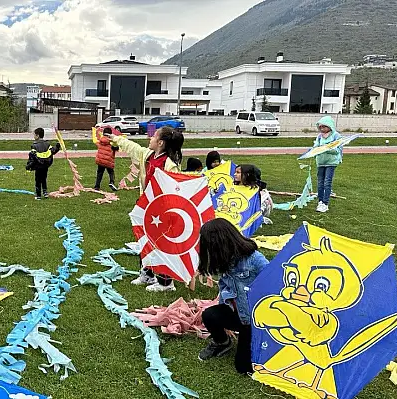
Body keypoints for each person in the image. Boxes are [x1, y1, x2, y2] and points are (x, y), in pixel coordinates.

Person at [109, 126, 184, 292]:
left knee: (161, 245)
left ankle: (166, 283)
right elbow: (132, 147)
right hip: (146, 207)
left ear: (161, 143)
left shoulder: (170, 165)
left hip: (162, 212)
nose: (149, 139)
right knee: (144, 241)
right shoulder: (148, 155)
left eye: (153, 136)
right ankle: (148, 274)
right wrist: (114, 138)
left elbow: (174, 191)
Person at [196, 218, 269, 373]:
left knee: (244, 368)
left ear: (220, 244)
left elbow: (274, 281)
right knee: (209, 315)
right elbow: (226, 288)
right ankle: (222, 342)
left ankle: (262, 341)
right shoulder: (225, 261)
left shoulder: (254, 259)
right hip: (239, 316)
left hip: (255, 321)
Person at [313, 116, 342, 213]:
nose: (322, 129)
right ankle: (320, 201)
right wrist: (316, 150)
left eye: (324, 127)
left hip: (331, 162)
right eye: (320, 127)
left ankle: (325, 203)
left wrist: (328, 148)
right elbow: (316, 147)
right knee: (320, 183)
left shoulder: (336, 136)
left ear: (330, 126)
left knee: (327, 182)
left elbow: (338, 150)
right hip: (321, 162)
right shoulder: (319, 136)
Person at [26, 127, 61, 200]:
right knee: (44, 178)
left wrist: (29, 165)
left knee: (38, 180)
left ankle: (38, 195)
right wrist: (57, 147)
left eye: (34, 135)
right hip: (46, 165)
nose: (34, 136)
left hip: (38, 166)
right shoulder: (47, 144)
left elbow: (32, 157)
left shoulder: (34, 146)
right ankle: (45, 193)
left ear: (37, 135)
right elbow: (53, 151)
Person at [93, 126, 118, 191]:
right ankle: (111, 182)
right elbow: (116, 148)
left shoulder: (100, 140)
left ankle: (97, 186)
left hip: (100, 160)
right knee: (111, 172)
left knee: (99, 173)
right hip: (108, 161)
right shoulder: (112, 142)